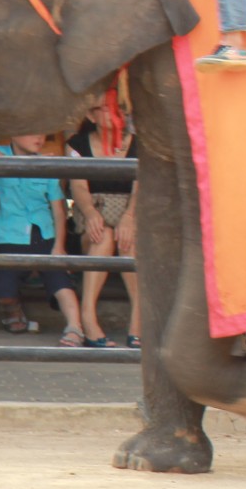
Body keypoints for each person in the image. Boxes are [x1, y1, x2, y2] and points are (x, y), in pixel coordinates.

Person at [0, 134, 85, 344]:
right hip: (9, 233)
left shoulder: (46, 164)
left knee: (60, 280)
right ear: (13, 133)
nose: (39, 138)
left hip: (43, 233)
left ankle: (75, 327)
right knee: (4, 289)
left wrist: (59, 245)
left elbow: (58, 210)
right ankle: (14, 309)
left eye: (42, 133)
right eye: (31, 132)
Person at [67, 103, 142, 349]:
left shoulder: (138, 144)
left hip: (130, 217)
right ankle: (88, 318)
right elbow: (78, 186)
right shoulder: (77, 144)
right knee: (103, 237)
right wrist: (90, 213)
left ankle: (139, 319)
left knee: (128, 241)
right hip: (93, 217)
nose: (115, 113)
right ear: (91, 115)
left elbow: (140, 188)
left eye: (119, 108)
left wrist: (130, 216)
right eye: (106, 108)